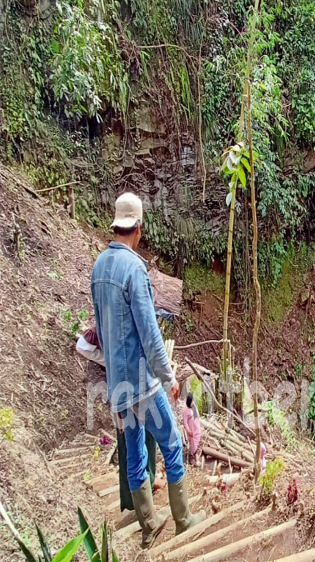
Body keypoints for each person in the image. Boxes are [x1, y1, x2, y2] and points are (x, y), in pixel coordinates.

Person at [91, 193, 205, 549]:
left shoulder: (99, 269)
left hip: (118, 387)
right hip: (144, 384)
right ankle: (184, 519)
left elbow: (100, 329)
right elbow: (151, 334)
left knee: (135, 450)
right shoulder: (135, 271)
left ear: (116, 225)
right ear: (138, 227)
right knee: (171, 443)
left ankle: (149, 523)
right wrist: (169, 379)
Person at [183, 392, 202, 466]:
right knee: (194, 444)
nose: (192, 403)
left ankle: (194, 456)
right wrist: (188, 430)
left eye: (193, 401)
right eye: (191, 402)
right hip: (192, 430)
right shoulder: (186, 410)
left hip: (197, 428)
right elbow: (185, 422)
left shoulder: (194, 407)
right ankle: (196, 459)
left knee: (197, 443)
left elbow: (198, 416)